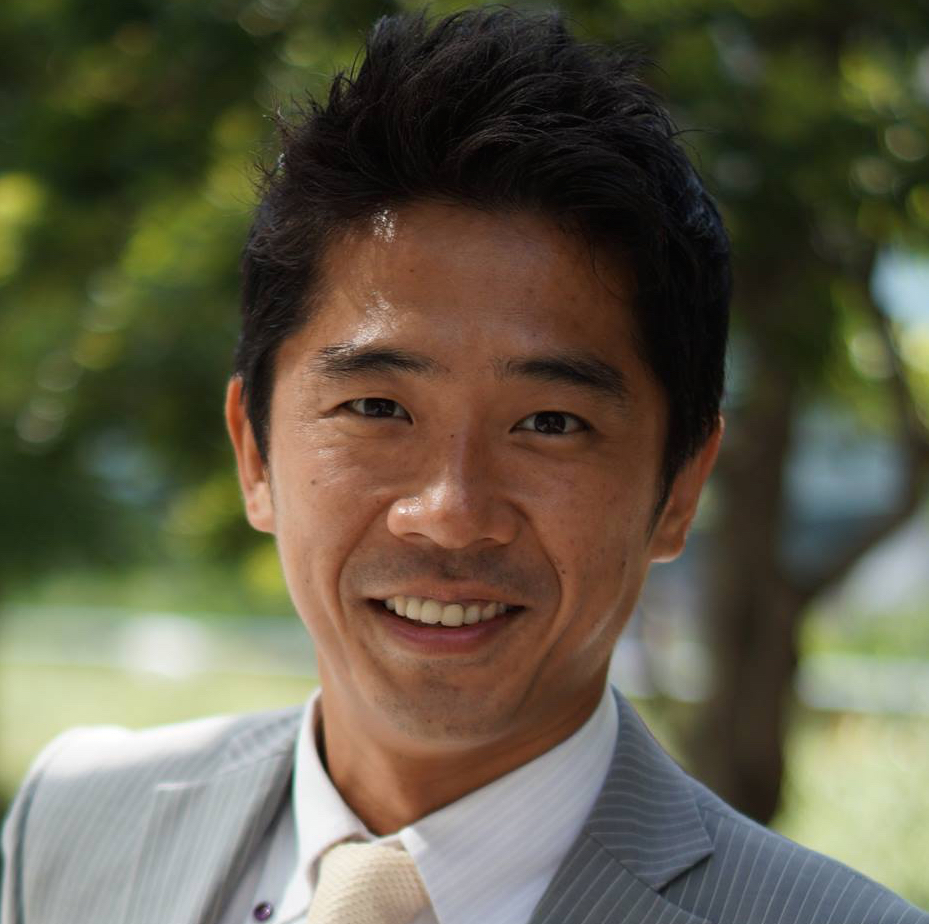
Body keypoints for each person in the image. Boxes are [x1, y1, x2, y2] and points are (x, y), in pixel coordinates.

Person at [2, 8, 926, 924]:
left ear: (679, 486)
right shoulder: (74, 827)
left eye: (550, 422)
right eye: (376, 408)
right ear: (254, 452)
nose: (450, 511)